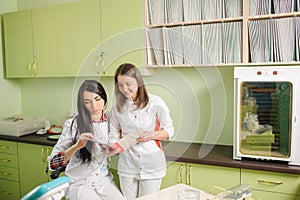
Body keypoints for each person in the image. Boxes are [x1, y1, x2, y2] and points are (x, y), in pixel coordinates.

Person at [47, 80, 125, 200]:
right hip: (80, 184)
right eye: (87, 102)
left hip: (104, 181)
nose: (94, 106)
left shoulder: (112, 120)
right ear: (82, 104)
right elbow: (53, 163)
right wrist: (77, 146)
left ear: (104, 97)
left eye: (97, 99)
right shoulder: (73, 125)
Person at [109, 63, 174, 200]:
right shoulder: (117, 107)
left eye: (128, 84)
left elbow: (169, 130)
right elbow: (113, 134)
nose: (124, 89)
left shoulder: (155, 102)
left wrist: (153, 135)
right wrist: (113, 146)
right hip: (127, 164)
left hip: (152, 164)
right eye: (120, 85)